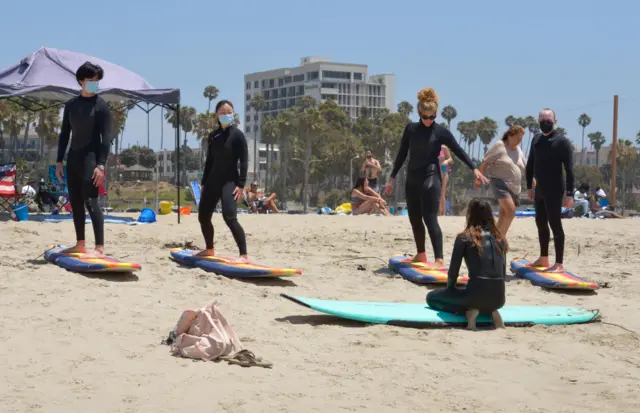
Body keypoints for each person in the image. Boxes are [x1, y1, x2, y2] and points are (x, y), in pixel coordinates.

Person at [384, 87, 489, 267]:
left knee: (430, 218)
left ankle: (439, 259)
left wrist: (474, 169)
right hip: (412, 178)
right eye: (425, 117)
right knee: (415, 218)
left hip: (431, 176)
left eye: (432, 117)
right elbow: (402, 154)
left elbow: (458, 150)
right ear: (419, 113)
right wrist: (392, 177)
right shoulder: (410, 129)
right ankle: (421, 254)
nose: (428, 120)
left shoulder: (441, 132)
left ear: (436, 114)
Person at [55, 62, 111, 257]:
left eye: (97, 81)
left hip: (92, 159)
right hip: (74, 158)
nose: (95, 84)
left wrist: (101, 165)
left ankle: (100, 248)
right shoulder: (71, 105)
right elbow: (64, 134)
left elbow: (106, 139)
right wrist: (59, 160)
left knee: (91, 201)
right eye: (91, 80)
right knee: (76, 201)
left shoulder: (101, 106)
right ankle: (80, 243)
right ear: (81, 81)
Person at [426, 199, 507, 330]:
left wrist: (450, 290)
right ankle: (491, 311)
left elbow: (453, 272)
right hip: (499, 300)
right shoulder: (500, 239)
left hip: (475, 296)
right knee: (476, 293)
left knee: (431, 298)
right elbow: (502, 273)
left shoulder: (464, 237)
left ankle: (469, 311)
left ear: (469, 214)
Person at [198, 100, 249, 263]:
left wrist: (241, 185)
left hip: (230, 182)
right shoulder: (213, 136)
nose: (226, 115)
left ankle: (243, 255)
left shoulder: (238, 135)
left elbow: (244, 161)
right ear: (217, 115)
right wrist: (204, 182)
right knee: (203, 217)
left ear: (233, 114)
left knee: (230, 217)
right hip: (212, 181)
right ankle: (209, 249)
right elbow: (209, 161)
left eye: (229, 112)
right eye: (222, 112)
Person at [526, 108, 575, 273]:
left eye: (548, 120)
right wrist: (528, 187)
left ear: (555, 122)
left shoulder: (562, 141)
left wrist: (570, 194)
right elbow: (530, 165)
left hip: (555, 189)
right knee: (540, 221)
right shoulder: (536, 140)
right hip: (539, 188)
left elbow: (569, 170)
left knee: (555, 223)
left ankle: (559, 263)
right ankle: (544, 257)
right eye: (542, 120)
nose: (545, 123)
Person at [476, 125, 527, 239]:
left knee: (504, 214)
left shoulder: (518, 150)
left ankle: (493, 238)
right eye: (518, 138)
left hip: (514, 187)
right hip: (499, 183)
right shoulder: (499, 145)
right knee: (511, 211)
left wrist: (534, 183)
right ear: (510, 135)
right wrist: (479, 178)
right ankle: (499, 239)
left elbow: (525, 168)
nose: (520, 141)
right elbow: (485, 163)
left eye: (521, 138)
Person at [438, 145, 453, 216]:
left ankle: (443, 213)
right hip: (434, 170)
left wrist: (446, 161)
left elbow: (451, 159)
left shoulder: (443, 148)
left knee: (442, 193)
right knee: (435, 192)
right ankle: (437, 211)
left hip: (443, 169)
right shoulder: (430, 146)